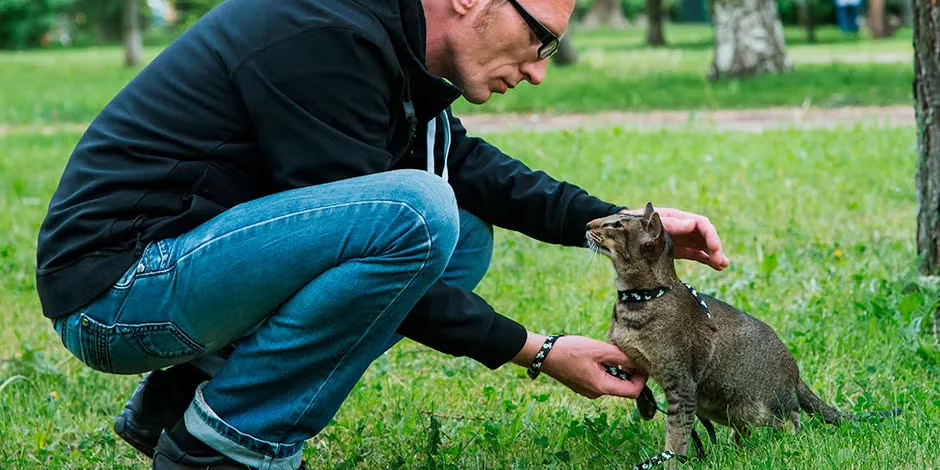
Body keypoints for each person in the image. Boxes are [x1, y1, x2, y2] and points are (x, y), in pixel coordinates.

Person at [36, 0, 730, 468]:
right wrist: (536, 351)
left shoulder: (393, 42)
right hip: (117, 293)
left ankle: (181, 402)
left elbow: (461, 163)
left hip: (184, 272)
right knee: (420, 214)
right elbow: (399, 230)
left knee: (460, 234)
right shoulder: (326, 32)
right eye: (539, 37)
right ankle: (224, 446)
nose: (540, 68)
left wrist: (629, 224)